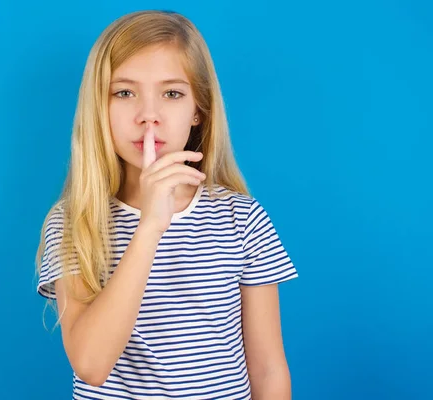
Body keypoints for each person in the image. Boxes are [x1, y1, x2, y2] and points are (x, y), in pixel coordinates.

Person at [35, 9, 298, 400]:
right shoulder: (74, 223)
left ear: (198, 110)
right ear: (99, 108)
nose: (148, 116)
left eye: (172, 93)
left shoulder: (240, 218)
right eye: (124, 92)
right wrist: (150, 227)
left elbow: (268, 368)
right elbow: (90, 364)